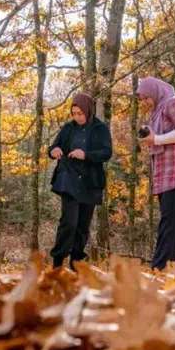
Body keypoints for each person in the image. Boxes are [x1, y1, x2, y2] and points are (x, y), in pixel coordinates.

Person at [136, 77, 175, 269]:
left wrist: (157, 139)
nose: (146, 102)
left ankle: (160, 266)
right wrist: (152, 137)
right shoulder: (158, 112)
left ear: (155, 91)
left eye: (147, 97)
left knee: (169, 220)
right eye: (143, 99)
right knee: (174, 220)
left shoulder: (173, 103)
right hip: (165, 172)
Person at [47, 92, 113, 269]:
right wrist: (53, 151)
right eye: (74, 113)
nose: (77, 117)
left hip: (90, 181)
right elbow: (53, 146)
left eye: (80, 113)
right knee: (68, 222)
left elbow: (107, 153)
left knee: (83, 226)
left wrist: (86, 155)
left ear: (88, 111)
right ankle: (57, 263)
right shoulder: (68, 128)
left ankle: (76, 264)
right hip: (68, 179)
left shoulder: (100, 129)